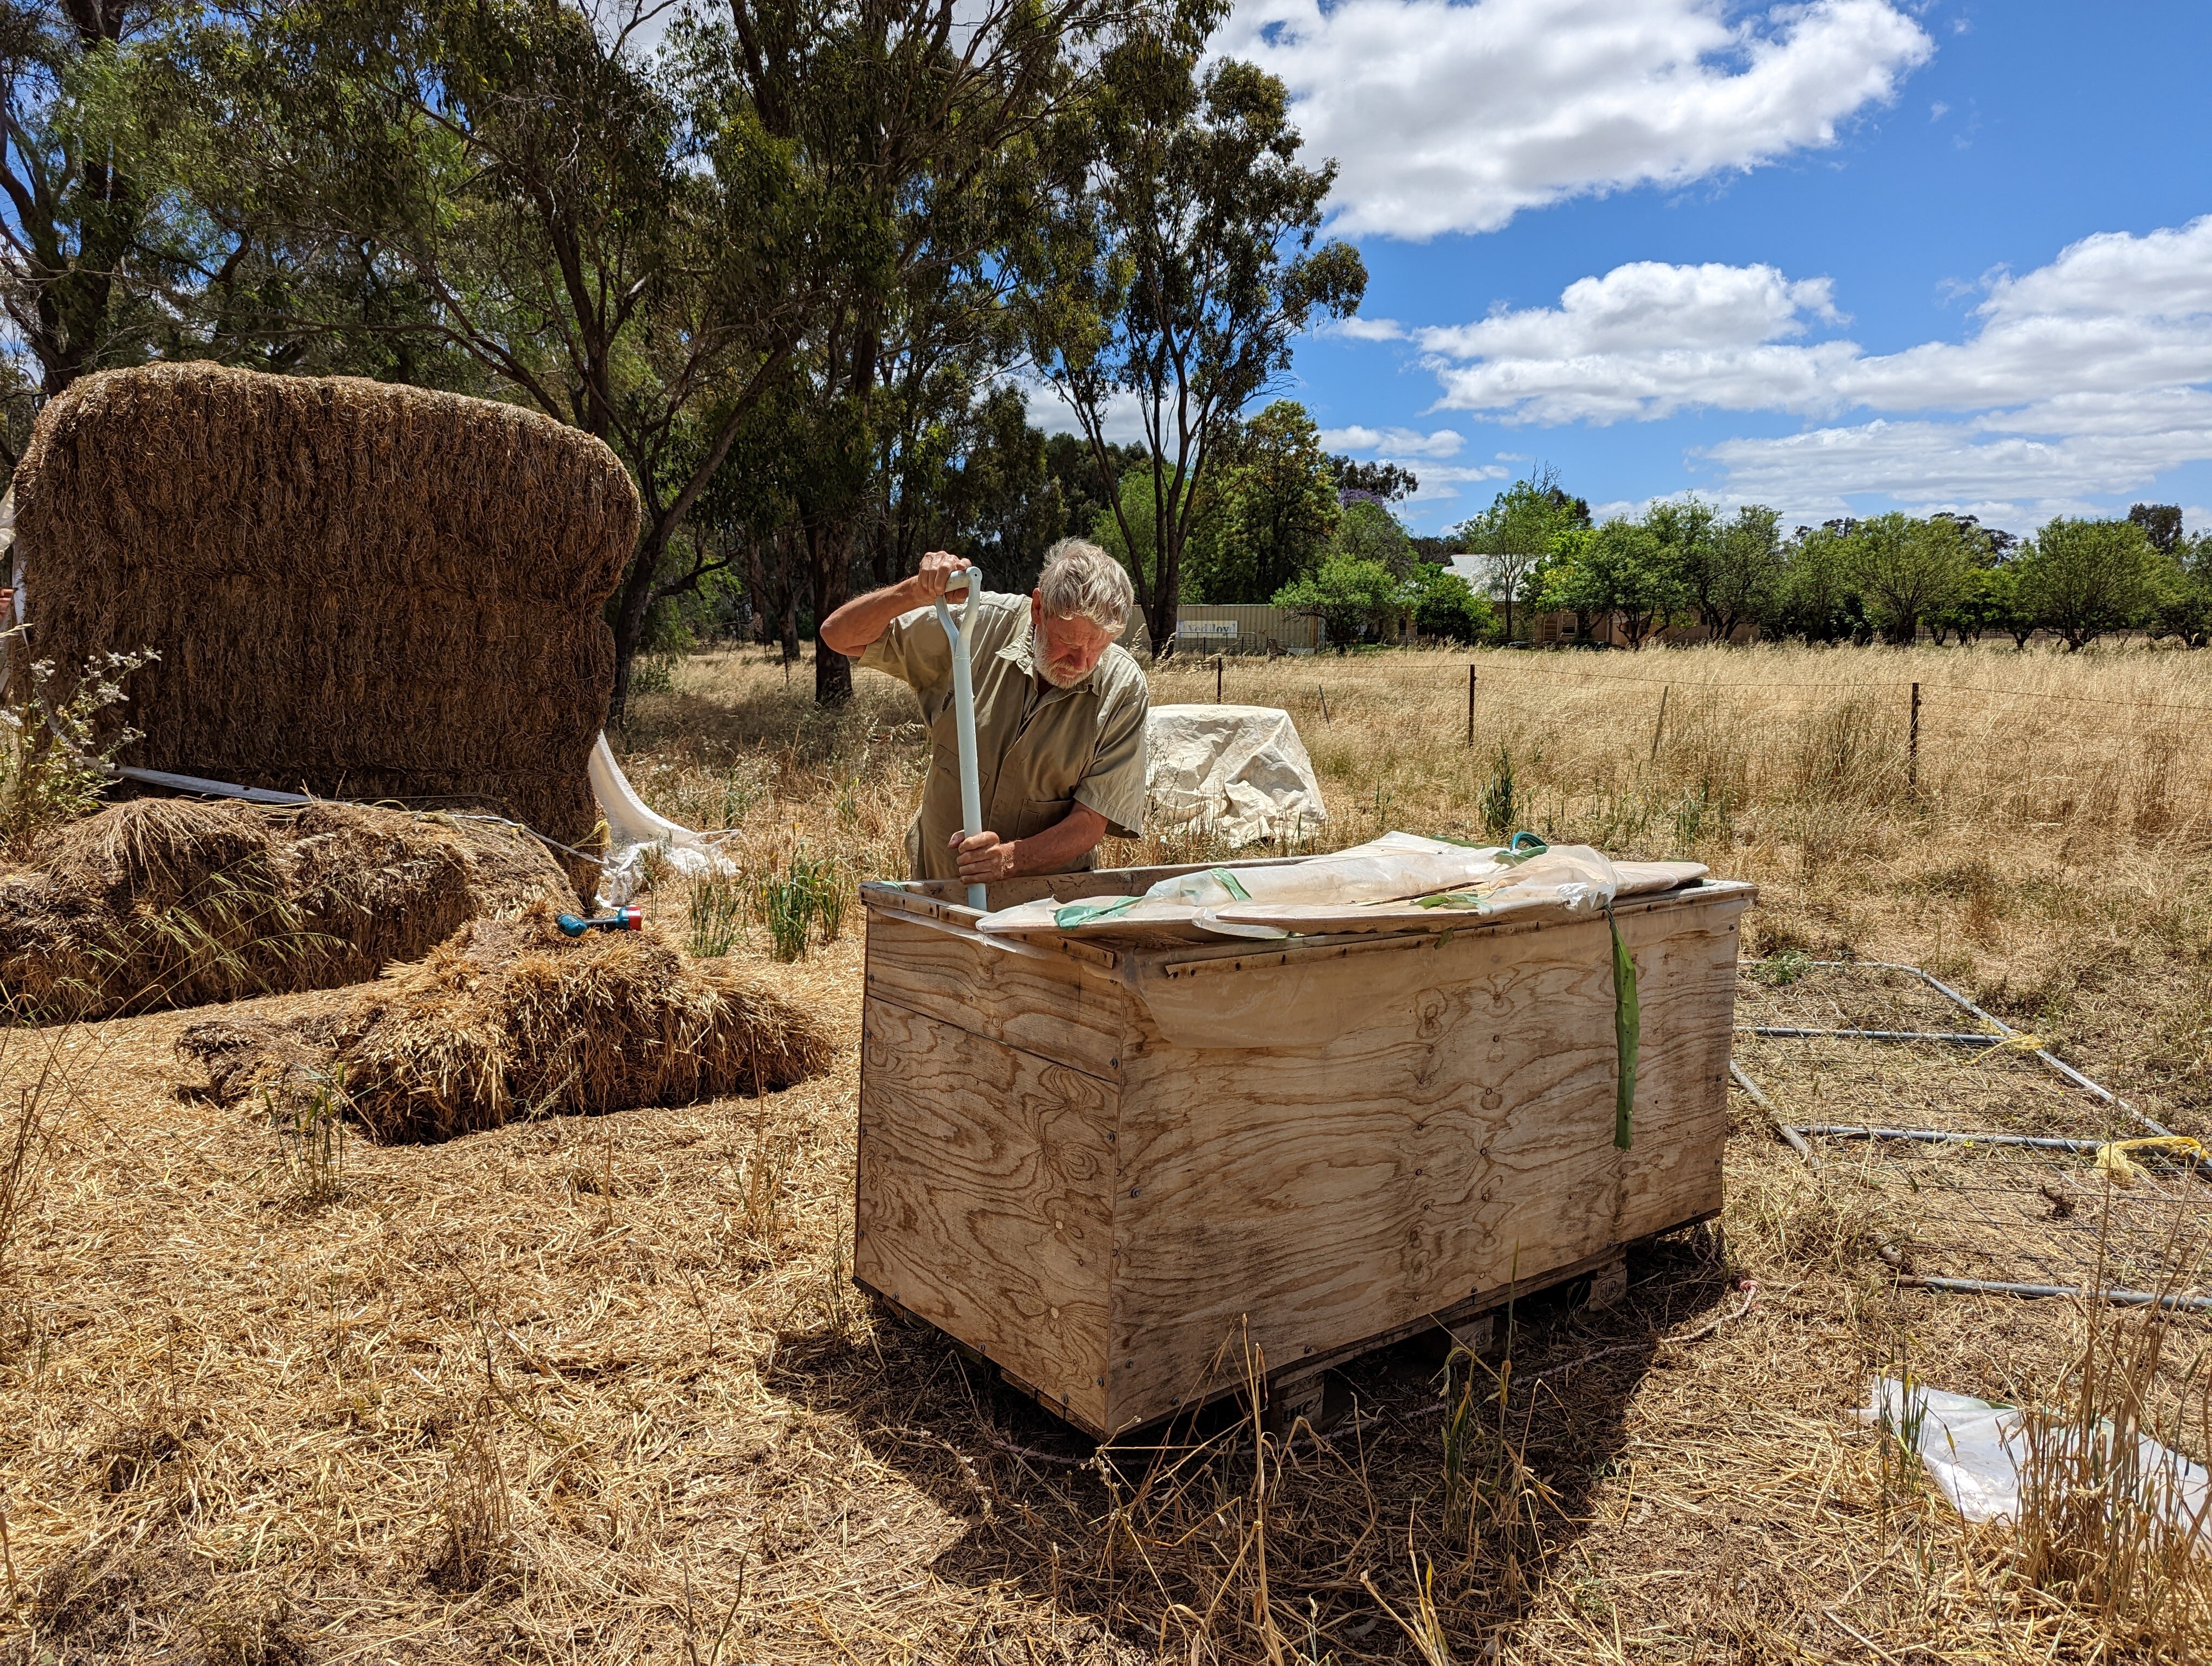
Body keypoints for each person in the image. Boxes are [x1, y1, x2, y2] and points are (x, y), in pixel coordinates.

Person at [819, 538, 1148, 886]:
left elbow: (1090, 821)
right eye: (1069, 643)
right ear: (1039, 609)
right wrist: (916, 592)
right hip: (940, 888)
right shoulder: (975, 625)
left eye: (1099, 645)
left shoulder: (1123, 689)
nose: (1083, 662)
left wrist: (1010, 859)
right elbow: (838, 635)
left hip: (1044, 904)